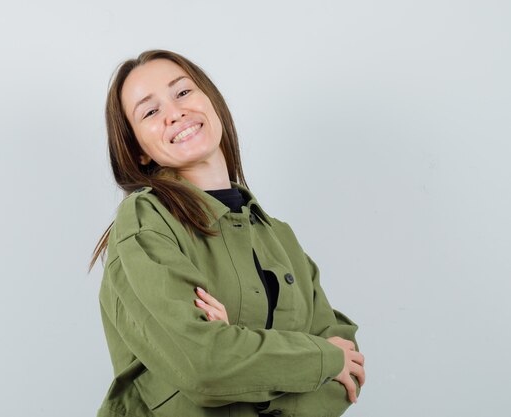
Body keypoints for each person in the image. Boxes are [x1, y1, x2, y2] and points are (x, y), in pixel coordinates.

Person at [89, 49, 365, 417]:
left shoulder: (278, 236)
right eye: (150, 112)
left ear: (211, 101)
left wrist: (241, 346)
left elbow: (349, 367)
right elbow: (204, 365)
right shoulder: (146, 221)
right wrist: (319, 357)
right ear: (138, 150)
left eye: (183, 92)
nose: (175, 112)